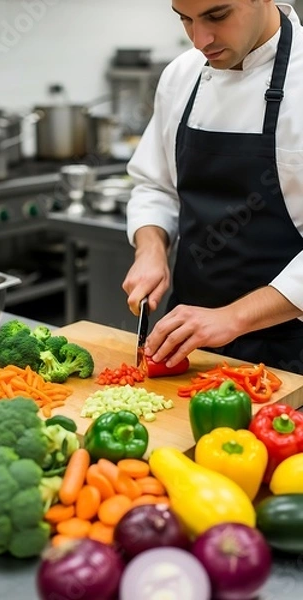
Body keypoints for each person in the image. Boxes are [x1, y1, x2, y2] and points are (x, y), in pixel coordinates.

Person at [122, 0, 303, 374]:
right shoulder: (181, 75)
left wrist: (234, 317)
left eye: (217, 16)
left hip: (292, 351)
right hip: (190, 346)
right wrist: (151, 248)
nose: (199, 40)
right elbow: (155, 185)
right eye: (185, 19)